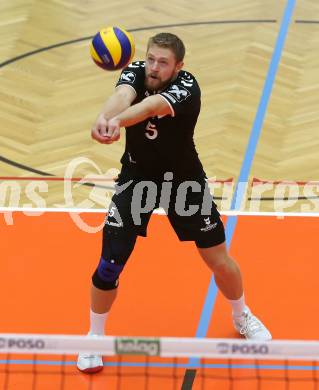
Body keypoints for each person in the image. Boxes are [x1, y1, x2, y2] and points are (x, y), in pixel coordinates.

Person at [77, 32, 271, 373]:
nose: (153, 67)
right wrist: (103, 116)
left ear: (178, 66)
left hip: (183, 180)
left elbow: (150, 107)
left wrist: (116, 122)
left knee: (217, 258)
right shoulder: (136, 71)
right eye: (150, 59)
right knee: (109, 264)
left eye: (162, 62)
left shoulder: (186, 87)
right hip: (136, 179)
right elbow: (123, 95)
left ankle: (242, 316)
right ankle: (94, 338)